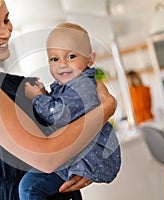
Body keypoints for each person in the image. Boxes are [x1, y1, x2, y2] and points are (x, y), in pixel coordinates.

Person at [0, 0, 117, 199]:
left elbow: (63, 133)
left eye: (6, 20)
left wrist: (84, 165)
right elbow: (48, 157)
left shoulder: (15, 83)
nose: (6, 32)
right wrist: (107, 107)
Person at [19, 22, 121, 200]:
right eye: (54, 59)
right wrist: (45, 94)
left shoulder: (82, 86)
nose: (62, 64)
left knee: (29, 188)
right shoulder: (70, 85)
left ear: (90, 59)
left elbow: (58, 114)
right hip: (77, 153)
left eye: (71, 56)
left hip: (84, 157)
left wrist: (37, 97)